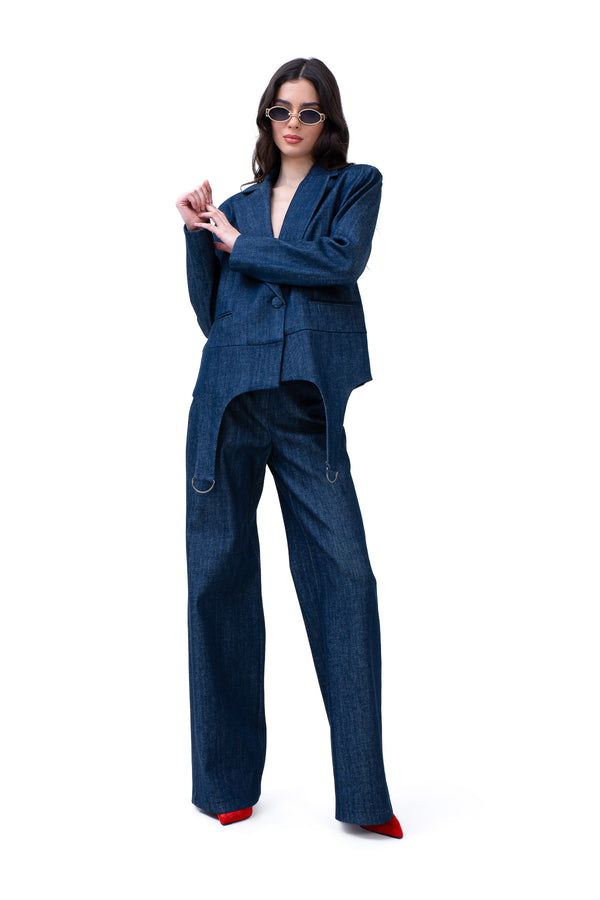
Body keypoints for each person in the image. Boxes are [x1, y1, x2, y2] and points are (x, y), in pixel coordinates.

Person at [175, 57, 402, 838]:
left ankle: (365, 798)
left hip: (306, 406)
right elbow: (213, 316)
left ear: (327, 120)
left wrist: (241, 244)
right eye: (281, 110)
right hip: (226, 402)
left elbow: (342, 261)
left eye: (308, 111)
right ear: (266, 118)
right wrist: (200, 238)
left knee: (347, 580)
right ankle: (225, 785)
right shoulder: (236, 206)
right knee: (218, 584)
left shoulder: (354, 186)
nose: (294, 123)